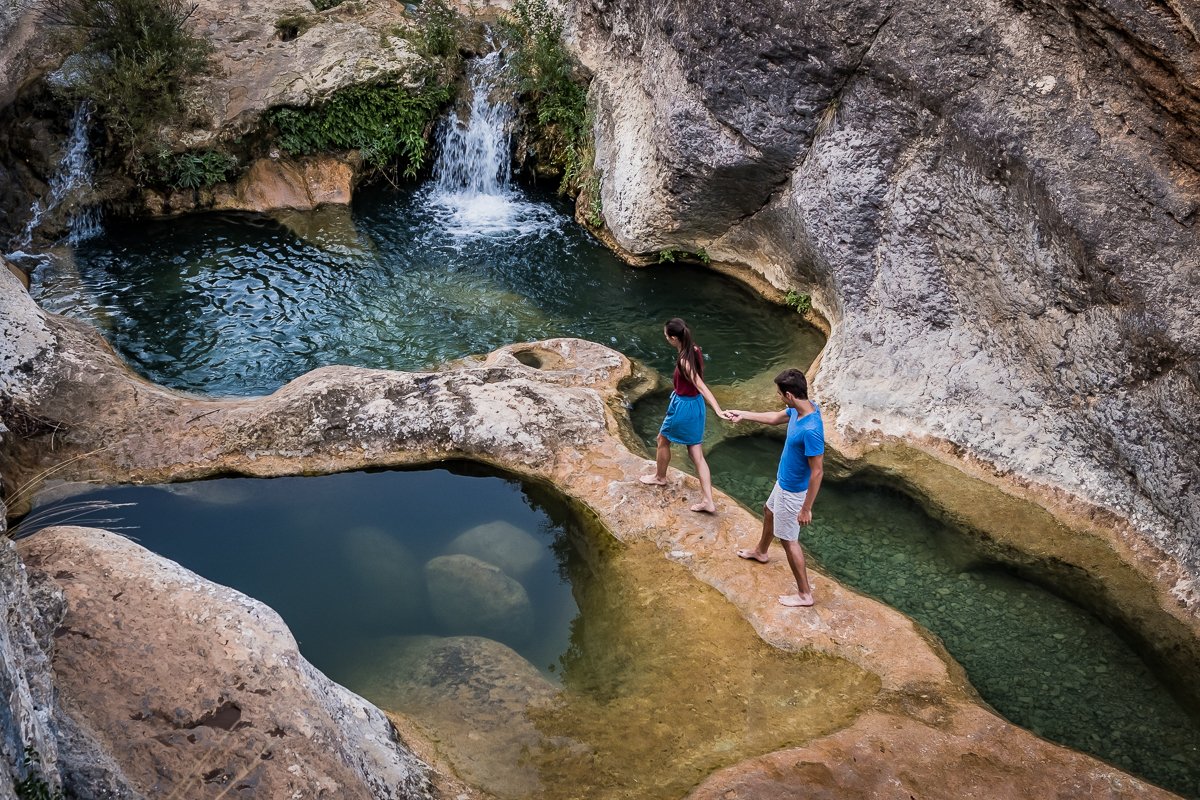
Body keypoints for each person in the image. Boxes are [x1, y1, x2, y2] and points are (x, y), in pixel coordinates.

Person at [725, 368, 825, 607]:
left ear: (790, 395)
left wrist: (806, 508)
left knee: (789, 541)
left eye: (780, 394)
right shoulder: (799, 410)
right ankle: (761, 552)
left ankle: (804, 594)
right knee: (768, 510)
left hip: (794, 493)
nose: (779, 397)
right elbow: (773, 418)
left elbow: (818, 471)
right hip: (784, 483)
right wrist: (743, 414)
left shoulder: (811, 429)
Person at [639, 318, 728, 513]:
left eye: (665, 336)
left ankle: (660, 478)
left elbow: (700, 385)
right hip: (696, 406)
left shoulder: (684, 361)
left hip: (684, 407)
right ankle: (708, 500)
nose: (665, 338)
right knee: (696, 453)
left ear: (673, 338)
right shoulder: (694, 349)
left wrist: (719, 410)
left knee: (662, 439)